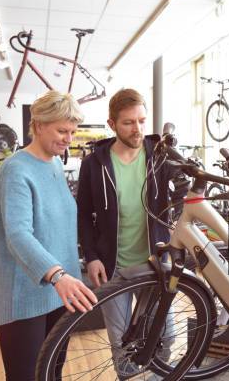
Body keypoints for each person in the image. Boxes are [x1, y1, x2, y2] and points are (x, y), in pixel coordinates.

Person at [0, 90, 97, 381]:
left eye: (72, 132)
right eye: (62, 130)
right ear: (38, 125)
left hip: (58, 293)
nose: (68, 139)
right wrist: (58, 276)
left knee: (52, 374)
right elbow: (18, 235)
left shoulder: (53, 164)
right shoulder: (15, 170)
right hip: (24, 298)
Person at [76, 88, 181, 376]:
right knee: (122, 345)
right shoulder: (94, 165)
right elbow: (83, 215)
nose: (137, 129)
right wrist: (91, 256)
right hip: (114, 268)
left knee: (166, 336)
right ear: (111, 124)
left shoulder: (159, 156)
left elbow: (185, 191)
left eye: (142, 121)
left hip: (155, 265)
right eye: (128, 123)